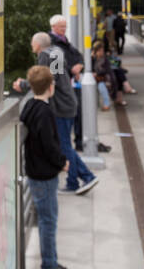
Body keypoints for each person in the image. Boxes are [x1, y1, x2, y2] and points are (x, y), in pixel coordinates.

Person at [13, 32, 100, 194]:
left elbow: (47, 80)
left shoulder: (46, 56)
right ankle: (80, 179)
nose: (32, 46)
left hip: (61, 107)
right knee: (64, 144)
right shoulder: (56, 52)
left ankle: (82, 178)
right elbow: (55, 78)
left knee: (64, 146)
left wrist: (24, 84)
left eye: (32, 43)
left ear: (37, 45)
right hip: (67, 104)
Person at [19, 65, 76, 269]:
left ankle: (50, 262)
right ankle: (49, 266)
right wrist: (62, 162)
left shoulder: (30, 106)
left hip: (35, 172)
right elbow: (49, 144)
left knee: (46, 219)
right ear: (51, 87)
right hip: (44, 175)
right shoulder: (44, 112)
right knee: (48, 221)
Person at [48, 15, 85, 152]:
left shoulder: (64, 41)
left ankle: (77, 143)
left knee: (77, 113)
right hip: (63, 89)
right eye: (62, 27)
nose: (64, 29)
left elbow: (78, 55)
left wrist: (80, 65)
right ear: (54, 27)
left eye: (65, 26)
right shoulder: (52, 44)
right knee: (68, 121)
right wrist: (72, 70)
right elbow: (56, 70)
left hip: (69, 86)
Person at [92, 42, 119, 110]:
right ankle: (107, 103)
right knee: (101, 84)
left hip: (103, 77)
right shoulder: (92, 58)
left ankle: (107, 104)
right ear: (96, 51)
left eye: (102, 50)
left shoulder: (105, 59)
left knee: (101, 85)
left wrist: (97, 73)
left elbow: (107, 70)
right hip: (95, 77)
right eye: (100, 51)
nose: (101, 52)